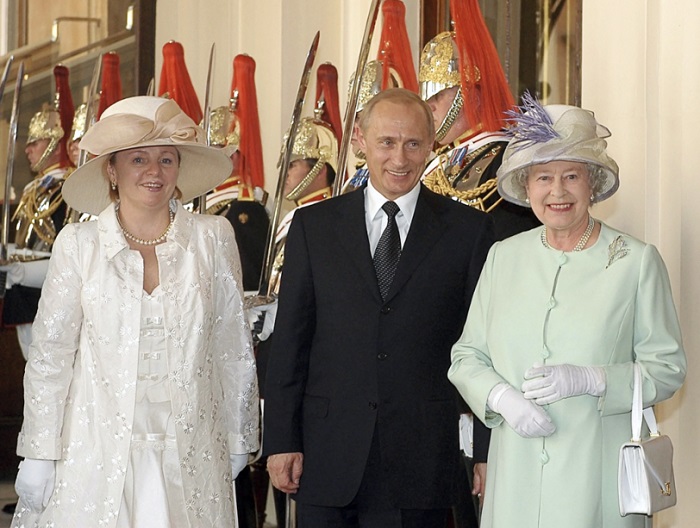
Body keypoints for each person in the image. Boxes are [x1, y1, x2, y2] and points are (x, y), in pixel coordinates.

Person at [10, 96, 260, 528]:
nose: (154, 172)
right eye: (139, 159)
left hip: (192, 454)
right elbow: (51, 357)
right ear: (111, 170)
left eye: (166, 158)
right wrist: (38, 450)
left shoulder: (213, 239)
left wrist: (240, 434)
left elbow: (232, 347)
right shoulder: (79, 245)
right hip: (95, 455)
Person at [447, 94, 687, 528]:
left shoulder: (635, 262)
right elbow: (467, 357)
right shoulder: (503, 257)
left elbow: (667, 369)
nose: (557, 192)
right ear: (527, 188)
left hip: (597, 485)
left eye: (571, 176)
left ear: (592, 184)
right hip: (516, 480)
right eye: (543, 177)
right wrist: (501, 398)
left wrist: (595, 379)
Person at [263, 88, 495, 528]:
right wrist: (281, 440)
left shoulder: (469, 232)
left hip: (421, 460)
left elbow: (483, 348)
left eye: (413, 143)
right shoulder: (314, 227)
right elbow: (291, 342)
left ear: (431, 145)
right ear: (360, 140)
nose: (399, 158)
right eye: (387, 142)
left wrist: (486, 451)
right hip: (325, 457)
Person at [1, 64, 74, 360]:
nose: (28, 149)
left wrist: (21, 268)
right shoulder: (32, 189)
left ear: (55, 142)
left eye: (35, 142)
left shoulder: (68, 188)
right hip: (22, 297)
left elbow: (65, 249)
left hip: (50, 295)